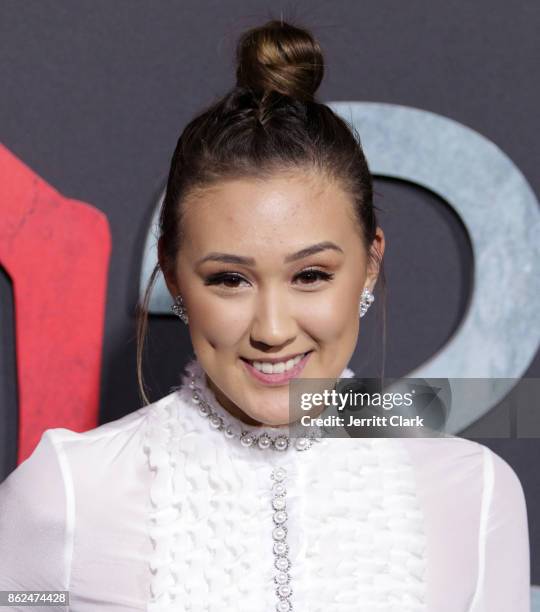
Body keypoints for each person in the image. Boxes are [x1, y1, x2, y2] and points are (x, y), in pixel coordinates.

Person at [0, 18, 530, 612]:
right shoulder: (66, 496)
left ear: (370, 264)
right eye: (230, 280)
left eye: (311, 276)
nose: (273, 330)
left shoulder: (473, 495)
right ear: (174, 277)